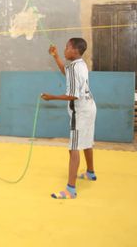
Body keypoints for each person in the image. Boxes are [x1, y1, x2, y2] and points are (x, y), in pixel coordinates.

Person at [41, 38, 97, 199]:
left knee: (73, 148)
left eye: (67, 48)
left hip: (80, 112)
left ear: (74, 51)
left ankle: (70, 190)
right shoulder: (80, 64)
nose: (65, 50)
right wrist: (56, 56)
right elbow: (67, 73)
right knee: (86, 141)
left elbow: (73, 95)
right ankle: (90, 172)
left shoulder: (74, 68)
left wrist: (52, 97)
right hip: (90, 107)